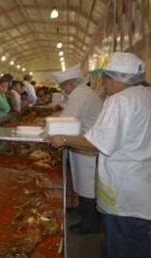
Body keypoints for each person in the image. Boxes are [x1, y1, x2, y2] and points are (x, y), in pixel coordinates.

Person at [48, 52, 151, 258]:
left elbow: (97, 143)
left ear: (118, 78)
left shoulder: (120, 101)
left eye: (106, 77)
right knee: (139, 240)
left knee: (119, 244)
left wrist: (62, 139)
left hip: (125, 186)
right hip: (148, 183)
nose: (103, 82)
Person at [51, 64, 102, 234]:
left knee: (87, 184)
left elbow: (68, 119)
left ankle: (90, 222)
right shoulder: (83, 92)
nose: (63, 90)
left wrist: (49, 131)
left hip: (86, 144)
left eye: (63, 86)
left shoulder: (78, 95)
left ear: (70, 84)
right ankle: (82, 210)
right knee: (82, 183)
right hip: (84, 141)